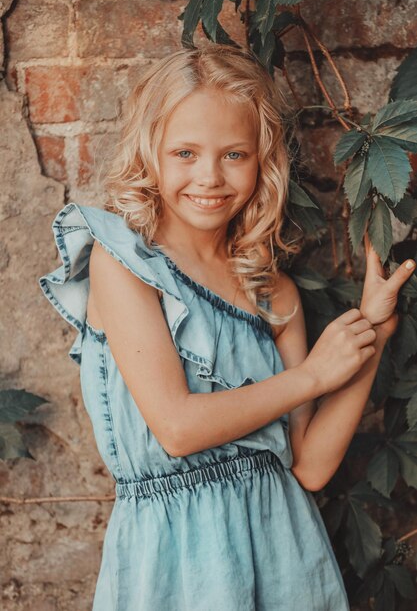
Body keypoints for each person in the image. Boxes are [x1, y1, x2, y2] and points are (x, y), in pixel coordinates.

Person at [38, 44, 416, 610]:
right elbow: (177, 429)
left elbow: (309, 466)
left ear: (263, 161)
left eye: (234, 154)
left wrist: (375, 332)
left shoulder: (273, 291)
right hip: (177, 562)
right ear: (150, 152)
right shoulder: (122, 265)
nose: (209, 177)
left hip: (285, 551)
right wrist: (312, 376)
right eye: (185, 152)